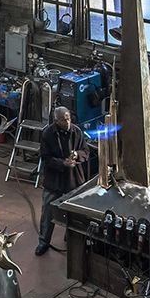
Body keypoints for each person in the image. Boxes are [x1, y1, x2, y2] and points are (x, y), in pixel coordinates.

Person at [35, 105, 93, 256]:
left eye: (68, 118)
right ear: (56, 120)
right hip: (54, 182)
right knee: (48, 212)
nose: (67, 122)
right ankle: (43, 242)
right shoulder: (48, 134)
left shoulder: (77, 131)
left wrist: (77, 155)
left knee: (73, 213)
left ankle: (71, 236)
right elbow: (45, 158)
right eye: (63, 119)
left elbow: (86, 152)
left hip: (74, 180)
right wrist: (62, 163)